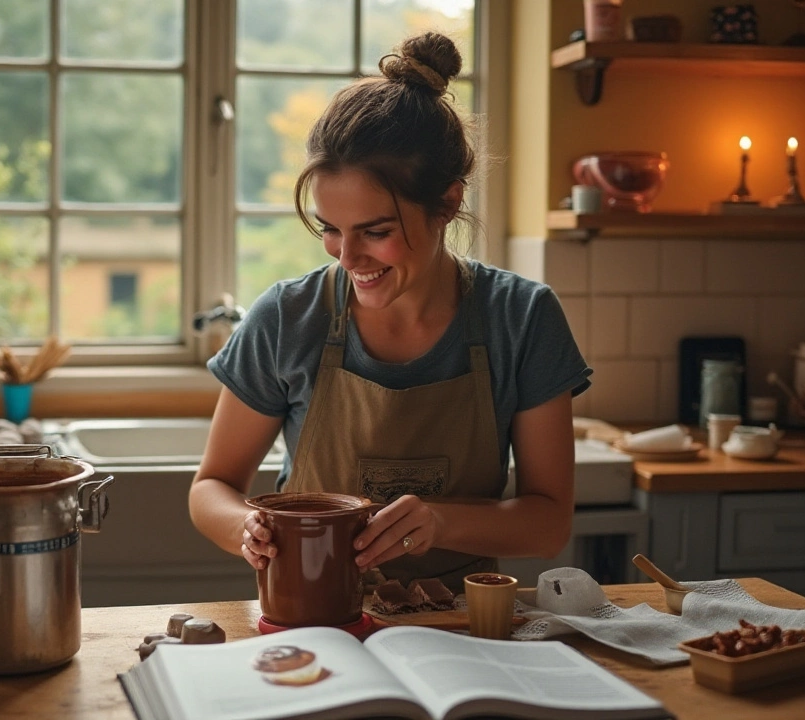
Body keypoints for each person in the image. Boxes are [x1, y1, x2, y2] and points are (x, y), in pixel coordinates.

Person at [188, 31, 591, 592]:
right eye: (330, 230)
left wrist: (440, 519)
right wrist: (245, 526)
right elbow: (212, 486)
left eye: (375, 232)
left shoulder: (521, 318)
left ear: (448, 202)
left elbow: (548, 523)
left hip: (462, 630)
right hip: (315, 624)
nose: (348, 257)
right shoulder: (287, 317)